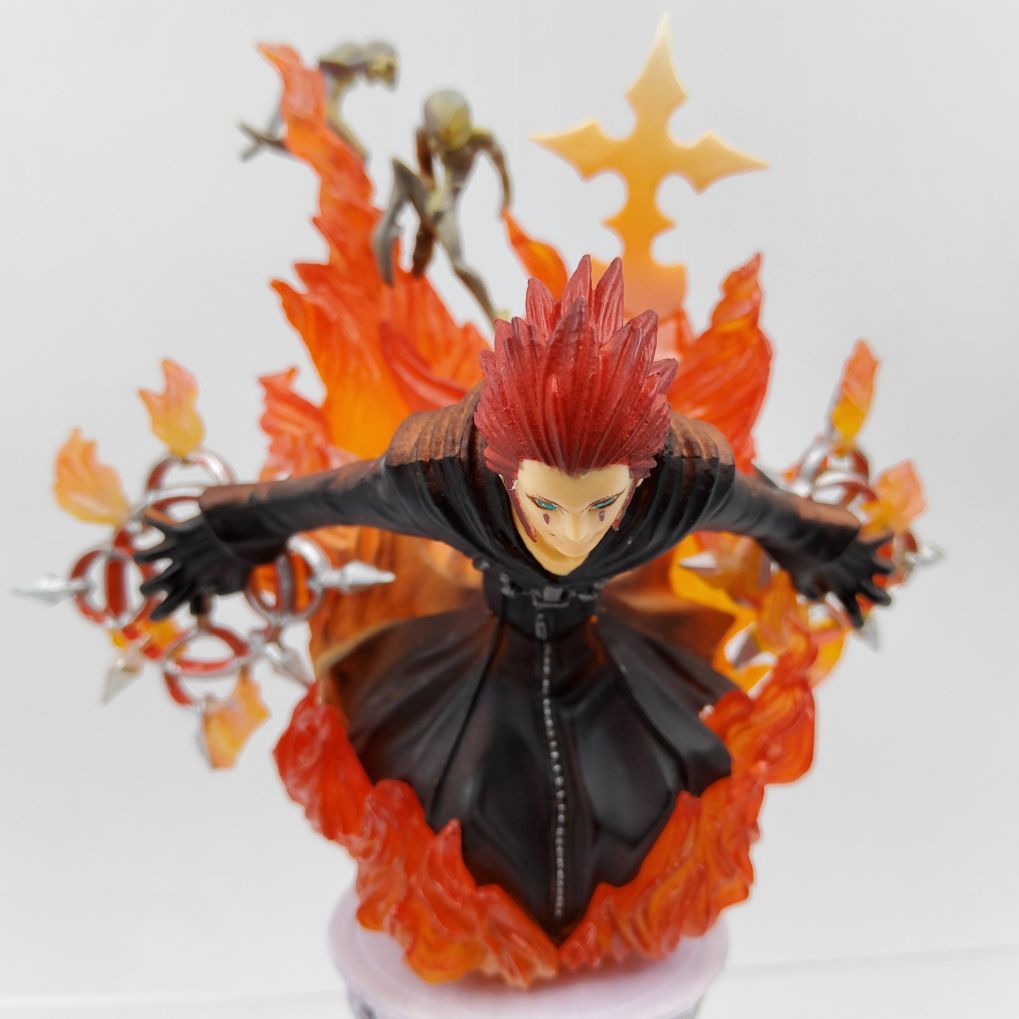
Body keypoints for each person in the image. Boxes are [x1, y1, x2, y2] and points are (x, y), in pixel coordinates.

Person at [137, 256, 891, 940]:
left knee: (652, 791)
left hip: (608, 648)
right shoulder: (441, 477)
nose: (573, 534)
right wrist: (224, 534)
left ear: (640, 477)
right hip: (480, 654)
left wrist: (831, 549)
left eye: (602, 507)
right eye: (547, 505)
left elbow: (772, 515)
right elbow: (320, 497)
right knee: (457, 809)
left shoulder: (685, 482)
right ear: (503, 474)